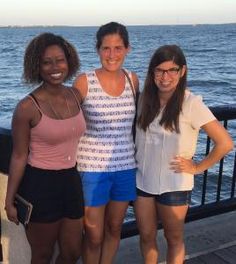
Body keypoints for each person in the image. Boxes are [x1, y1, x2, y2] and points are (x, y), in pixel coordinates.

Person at [134, 45, 234, 264]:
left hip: (175, 185)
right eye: (160, 70)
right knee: (147, 236)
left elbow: (225, 142)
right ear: (152, 72)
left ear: (182, 71)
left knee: (174, 238)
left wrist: (197, 167)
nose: (165, 76)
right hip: (143, 181)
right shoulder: (143, 100)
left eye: (172, 70)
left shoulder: (191, 104)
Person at [5, 32, 86, 264]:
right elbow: (19, 156)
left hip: (71, 181)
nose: (54, 67)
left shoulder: (75, 95)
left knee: (72, 252)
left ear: (68, 61)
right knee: (42, 255)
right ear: (36, 66)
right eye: (46, 62)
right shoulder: (27, 108)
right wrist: (9, 202)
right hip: (40, 185)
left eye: (59, 60)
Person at [73, 21, 139, 264]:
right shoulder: (84, 81)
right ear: (98, 49)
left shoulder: (133, 79)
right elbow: (67, 119)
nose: (112, 55)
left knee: (114, 228)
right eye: (106, 48)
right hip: (92, 170)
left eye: (118, 48)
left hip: (125, 166)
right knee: (93, 234)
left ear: (128, 49)